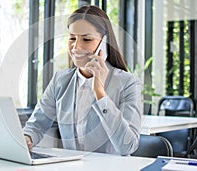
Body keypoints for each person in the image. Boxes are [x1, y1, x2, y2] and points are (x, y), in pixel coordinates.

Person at [23, 5, 141, 156]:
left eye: (86, 39)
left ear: (104, 43)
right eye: (72, 38)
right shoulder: (60, 80)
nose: (76, 47)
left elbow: (127, 146)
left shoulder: (128, 83)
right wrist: (27, 137)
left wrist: (100, 94)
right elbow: (36, 126)